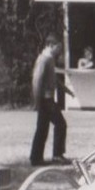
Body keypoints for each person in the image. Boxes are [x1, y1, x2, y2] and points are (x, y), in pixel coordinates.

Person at [30, 33, 68, 167]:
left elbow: (53, 79)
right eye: (58, 47)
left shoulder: (50, 59)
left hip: (48, 98)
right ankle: (57, 155)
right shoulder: (44, 59)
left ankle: (36, 158)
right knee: (60, 124)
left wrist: (66, 89)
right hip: (45, 99)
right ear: (51, 45)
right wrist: (37, 101)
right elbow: (37, 80)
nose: (60, 50)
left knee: (42, 128)